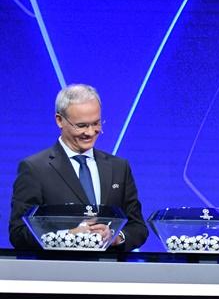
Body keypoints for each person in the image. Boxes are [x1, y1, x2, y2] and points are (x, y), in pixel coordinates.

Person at [8, 84, 148, 251]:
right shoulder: (35, 169)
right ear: (59, 120)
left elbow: (138, 227)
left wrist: (116, 237)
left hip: (110, 272)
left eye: (96, 123)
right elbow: (18, 233)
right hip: (60, 272)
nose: (90, 132)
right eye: (81, 125)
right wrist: (68, 236)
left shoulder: (119, 167)